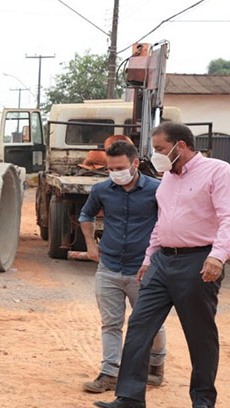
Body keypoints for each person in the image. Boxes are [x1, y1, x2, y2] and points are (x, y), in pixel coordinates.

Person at [95, 122, 230, 408]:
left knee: (199, 333)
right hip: (162, 261)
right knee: (139, 325)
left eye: (161, 149)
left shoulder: (217, 171)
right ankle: (130, 397)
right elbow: (162, 222)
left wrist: (219, 256)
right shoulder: (168, 178)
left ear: (181, 146)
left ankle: (203, 401)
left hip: (199, 261)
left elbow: (229, 218)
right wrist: (149, 257)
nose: (156, 155)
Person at [79, 140, 167, 393]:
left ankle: (155, 365)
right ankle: (109, 372)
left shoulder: (157, 190)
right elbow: (86, 215)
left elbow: (169, 221)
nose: (114, 172)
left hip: (145, 269)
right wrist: (90, 245)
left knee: (152, 323)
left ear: (135, 163)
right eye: (110, 168)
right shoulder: (101, 190)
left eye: (119, 167)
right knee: (111, 323)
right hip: (109, 267)